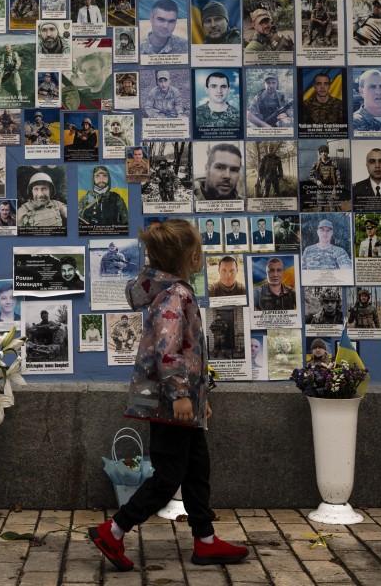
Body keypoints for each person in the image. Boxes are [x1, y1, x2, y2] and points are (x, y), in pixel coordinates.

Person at [90, 219, 249, 571]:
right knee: (167, 478)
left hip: (183, 403)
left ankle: (205, 540)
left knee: (197, 470)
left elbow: (186, 352)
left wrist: (198, 399)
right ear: (193, 257)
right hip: (169, 404)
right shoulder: (175, 295)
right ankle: (113, 531)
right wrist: (180, 394)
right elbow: (168, 349)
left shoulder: (172, 291)